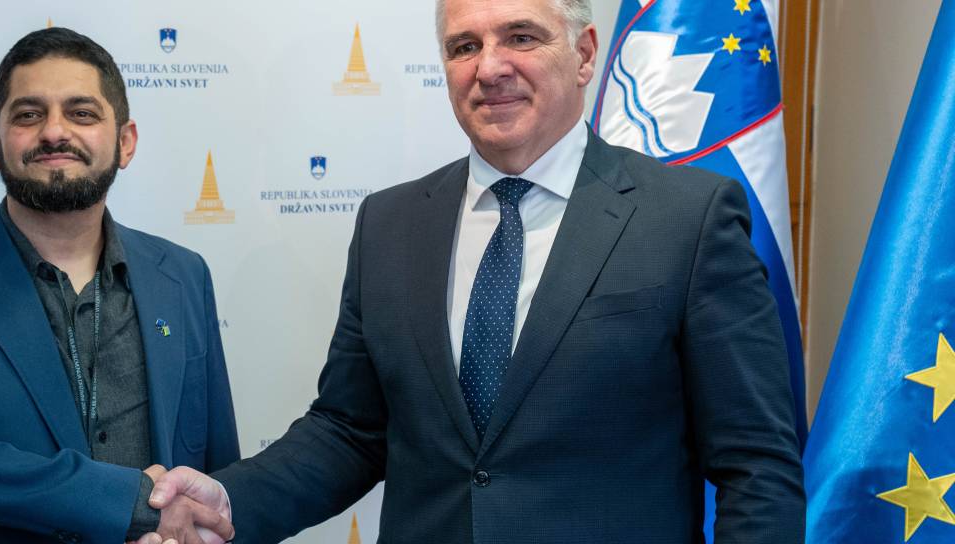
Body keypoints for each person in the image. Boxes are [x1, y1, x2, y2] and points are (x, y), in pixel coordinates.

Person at [139, 0, 805, 542]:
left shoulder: (687, 218)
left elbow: (757, 467)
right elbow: (351, 430)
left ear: (584, 55)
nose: (490, 68)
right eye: (464, 46)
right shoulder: (390, 224)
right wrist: (229, 500)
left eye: (521, 37)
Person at [0, 28, 239, 543]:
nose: (54, 132)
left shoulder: (183, 275)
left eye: (82, 113)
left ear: (125, 141)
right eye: (28, 114)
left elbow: (217, 467)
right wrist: (129, 503)